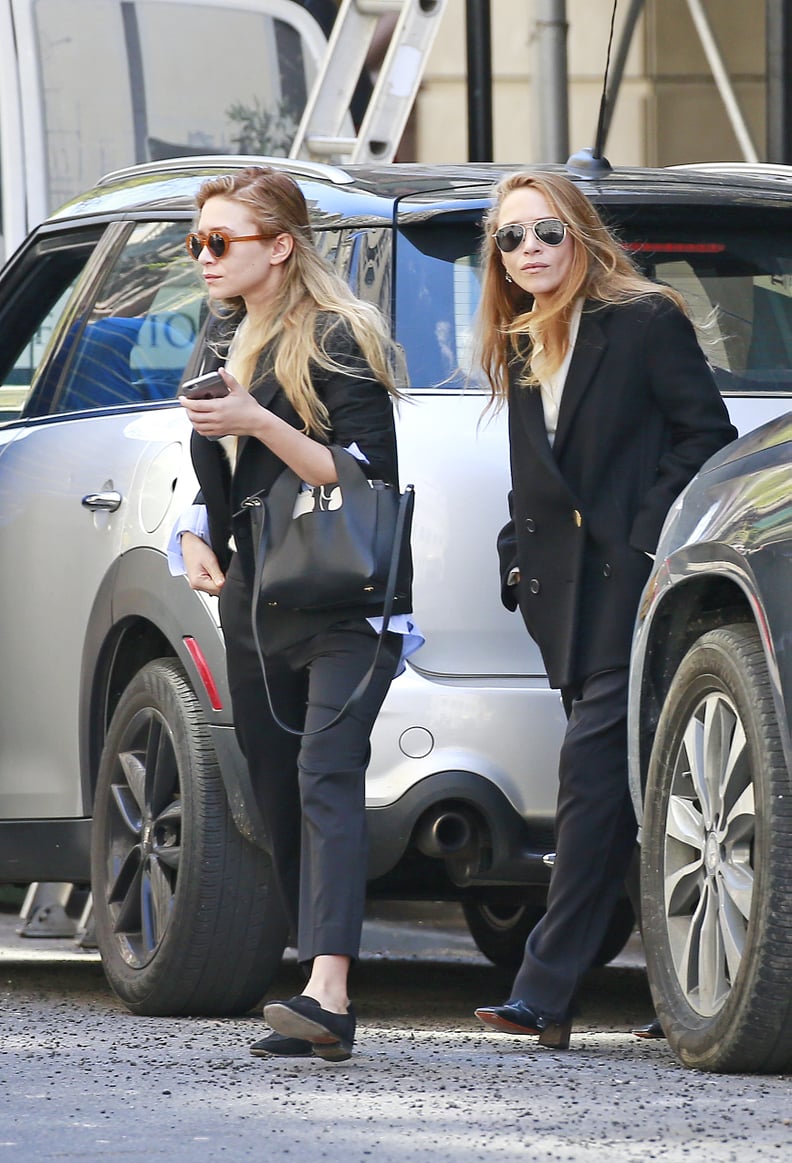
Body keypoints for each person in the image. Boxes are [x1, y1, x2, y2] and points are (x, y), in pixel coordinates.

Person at [473, 170, 737, 1050]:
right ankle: (692, 990)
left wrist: (638, 542)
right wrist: (517, 560)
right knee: (636, 798)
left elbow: (708, 439)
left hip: (635, 589)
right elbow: (532, 479)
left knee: (591, 785)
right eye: (511, 239)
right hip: (565, 607)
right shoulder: (518, 342)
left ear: (580, 234)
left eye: (546, 232)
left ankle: (544, 992)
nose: (530, 250)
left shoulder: (643, 320)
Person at [169, 165, 421, 1062]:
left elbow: (366, 472)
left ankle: (329, 991)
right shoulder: (217, 339)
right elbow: (216, 477)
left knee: (325, 771)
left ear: (280, 246)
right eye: (198, 241)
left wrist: (257, 420)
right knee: (276, 785)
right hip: (256, 596)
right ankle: (318, 974)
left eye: (220, 242)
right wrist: (193, 532)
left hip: (349, 596)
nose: (203, 257)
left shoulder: (336, 339)